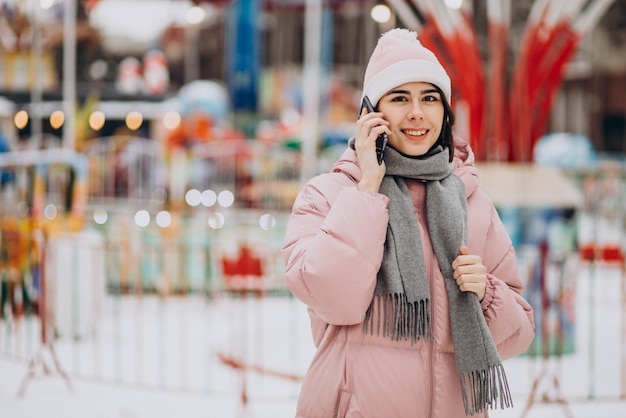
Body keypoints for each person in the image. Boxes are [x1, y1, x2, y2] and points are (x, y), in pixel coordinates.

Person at [281, 28, 535, 418]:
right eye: (400, 98)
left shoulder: (474, 204)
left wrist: (486, 292)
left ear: (445, 112)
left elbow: (519, 335)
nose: (417, 112)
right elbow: (333, 300)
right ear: (371, 113)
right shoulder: (329, 195)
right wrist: (367, 188)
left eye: (430, 98)